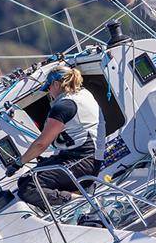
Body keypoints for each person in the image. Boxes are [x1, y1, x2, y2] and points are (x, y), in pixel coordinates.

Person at [15, 66, 106, 210]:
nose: (49, 93)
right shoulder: (83, 94)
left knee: (28, 188)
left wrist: (19, 163)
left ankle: (79, 201)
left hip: (82, 162)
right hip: (90, 160)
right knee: (25, 180)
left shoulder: (64, 106)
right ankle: (74, 197)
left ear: (56, 84)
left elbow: (41, 144)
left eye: (48, 88)